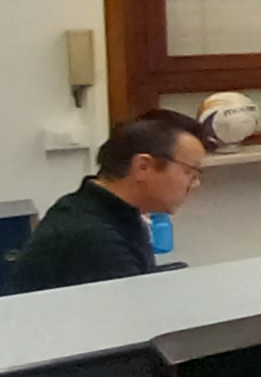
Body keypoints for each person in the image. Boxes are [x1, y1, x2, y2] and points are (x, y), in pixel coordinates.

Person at [12, 110, 213, 292]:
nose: (195, 184)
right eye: (190, 173)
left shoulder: (102, 209)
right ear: (143, 167)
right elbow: (131, 315)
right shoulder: (94, 239)